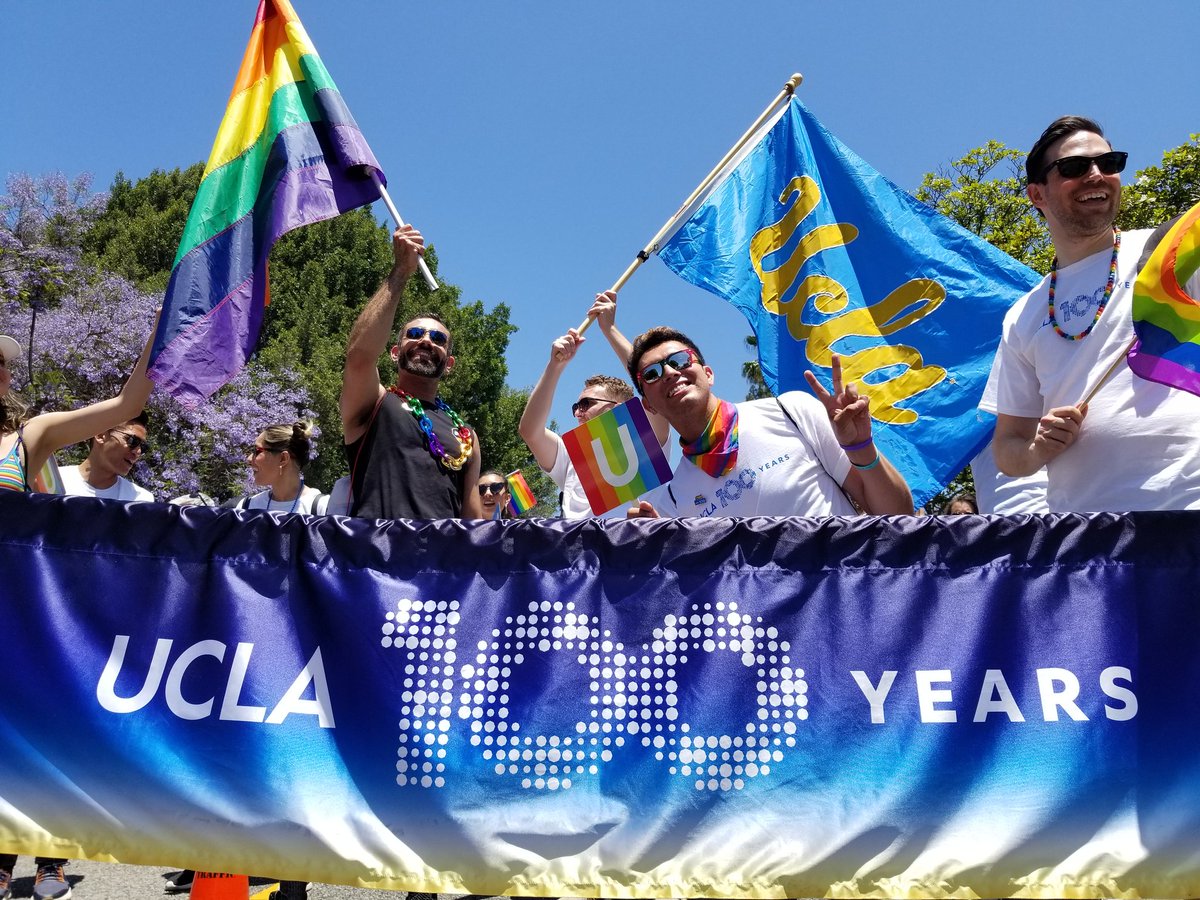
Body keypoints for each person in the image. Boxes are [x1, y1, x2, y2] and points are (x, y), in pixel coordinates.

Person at [0, 327, 155, 900]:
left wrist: (162, 326)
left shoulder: (28, 439)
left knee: (37, 740)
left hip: (20, 621)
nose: (0, 370)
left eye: (1, 363)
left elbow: (127, 402)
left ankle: (47, 861)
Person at [982, 115, 1200, 512]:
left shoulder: (1168, 255)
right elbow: (1008, 449)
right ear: (1037, 194)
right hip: (1088, 533)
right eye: (1074, 167)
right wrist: (1037, 449)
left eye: (1110, 163)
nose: (1097, 175)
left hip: (1188, 509)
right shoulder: (1023, 315)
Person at [623, 327, 913, 518]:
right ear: (648, 406)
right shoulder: (673, 502)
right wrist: (658, 545)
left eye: (680, 360)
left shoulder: (791, 411)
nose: (670, 372)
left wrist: (861, 448)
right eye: (651, 374)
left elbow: (898, 516)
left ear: (708, 374)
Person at [340, 225, 483, 520]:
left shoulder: (466, 434)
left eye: (438, 339)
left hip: (443, 550)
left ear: (449, 364)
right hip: (378, 547)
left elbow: (472, 521)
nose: (426, 340)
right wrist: (400, 272)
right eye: (415, 334)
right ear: (395, 353)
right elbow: (359, 357)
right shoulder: (375, 402)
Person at [518, 291, 670, 518]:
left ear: (620, 407)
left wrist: (609, 329)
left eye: (586, 404)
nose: (578, 413)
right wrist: (555, 366)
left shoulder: (647, 438)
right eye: (576, 407)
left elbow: (652, 381)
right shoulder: (572, 455)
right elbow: (530, 431)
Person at [58, 412, 154, 502]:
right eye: (133, 441)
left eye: (143, 447)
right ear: (100, 435)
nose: (138, 452)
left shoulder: (139, 500)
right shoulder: (57, 482)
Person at [235, 422, 327, 514]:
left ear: (283, 458)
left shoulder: (322, 509)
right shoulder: (246, 507)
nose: (249, 459)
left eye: (257, 451)